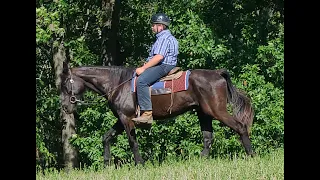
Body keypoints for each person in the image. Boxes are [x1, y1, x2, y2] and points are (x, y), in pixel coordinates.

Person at [132, 12, 179, 124]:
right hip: (166, 64)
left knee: (142, 81)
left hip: (164, 65)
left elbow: (159, 57)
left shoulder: (163, 38)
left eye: (154, 25)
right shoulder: (168, 37)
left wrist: (143, 68)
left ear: (160, 26)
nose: (152, 27)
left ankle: (147, 113)